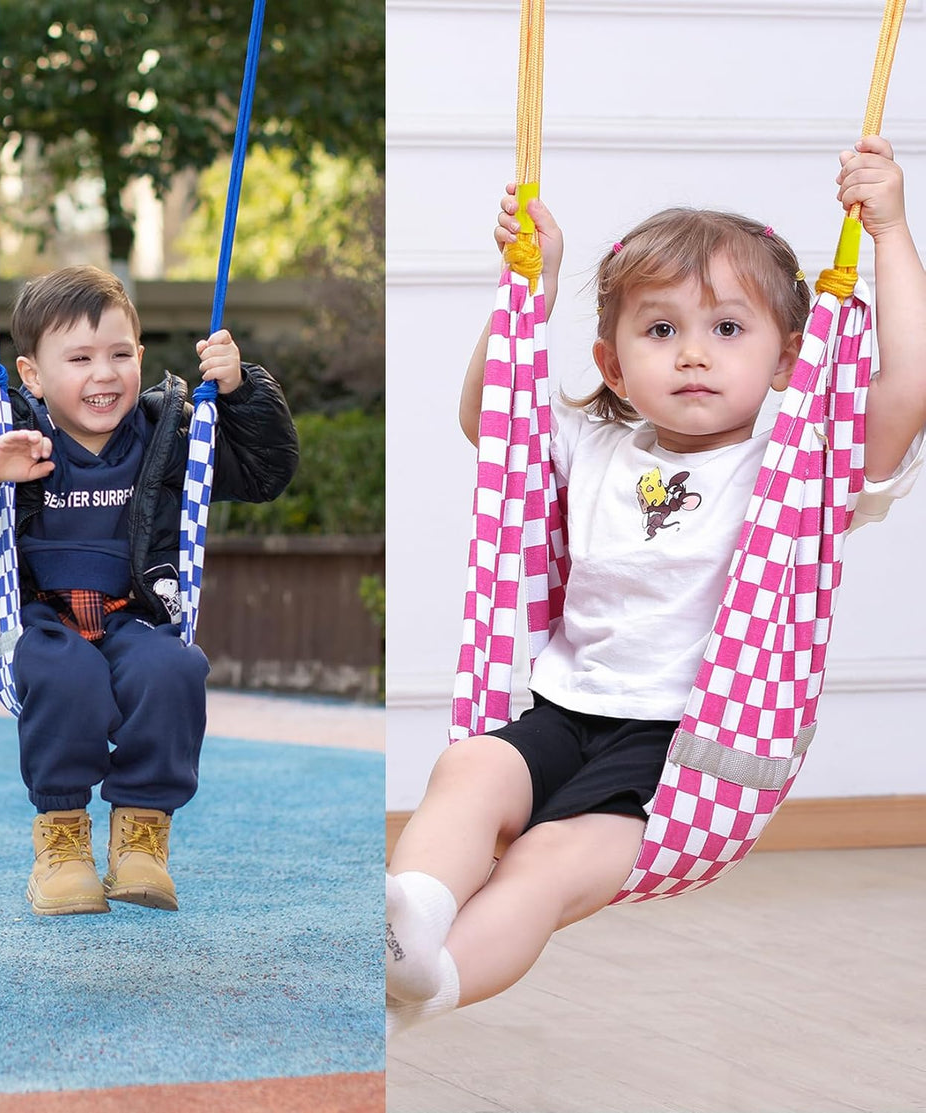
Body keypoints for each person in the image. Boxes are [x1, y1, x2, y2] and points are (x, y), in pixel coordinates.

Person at [385, 136, 926, 1034]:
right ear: (613, 364)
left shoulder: (796, 466)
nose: (693, 355)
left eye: (728, 329)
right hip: (563, 709)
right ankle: (411, 915)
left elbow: (907, 388)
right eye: (662, 329)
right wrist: (529, 289)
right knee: (470, 765)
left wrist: (892, 233)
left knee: (549, 863)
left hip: (684, 751)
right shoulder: (595, 447)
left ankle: (430, 981)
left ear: (789, 360)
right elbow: (491, 414)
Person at [0, 265, 299, 917]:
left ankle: (141, 833)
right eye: (79, 358)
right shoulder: (5, 428)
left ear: (140, 355)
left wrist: (243, 389)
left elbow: (264, 472)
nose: (103, 374)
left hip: (132, 615)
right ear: (32, 374)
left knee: (173, 669)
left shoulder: (167, 435)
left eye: (119, 355)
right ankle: (63, 841)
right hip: (35, 619)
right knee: (68, 674)